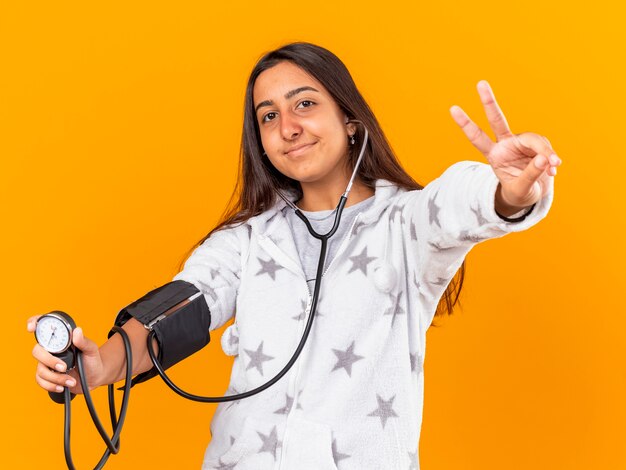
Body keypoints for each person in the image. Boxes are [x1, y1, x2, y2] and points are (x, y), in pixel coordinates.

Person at [28, 42, 561, 469]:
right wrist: (103, 367)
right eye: (268, 115)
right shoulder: (248, 240)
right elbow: (185, 306)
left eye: (305, 103)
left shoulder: (408, 224)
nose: (288, 126)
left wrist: (511, 189)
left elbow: (463, 202)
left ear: (350, 120)